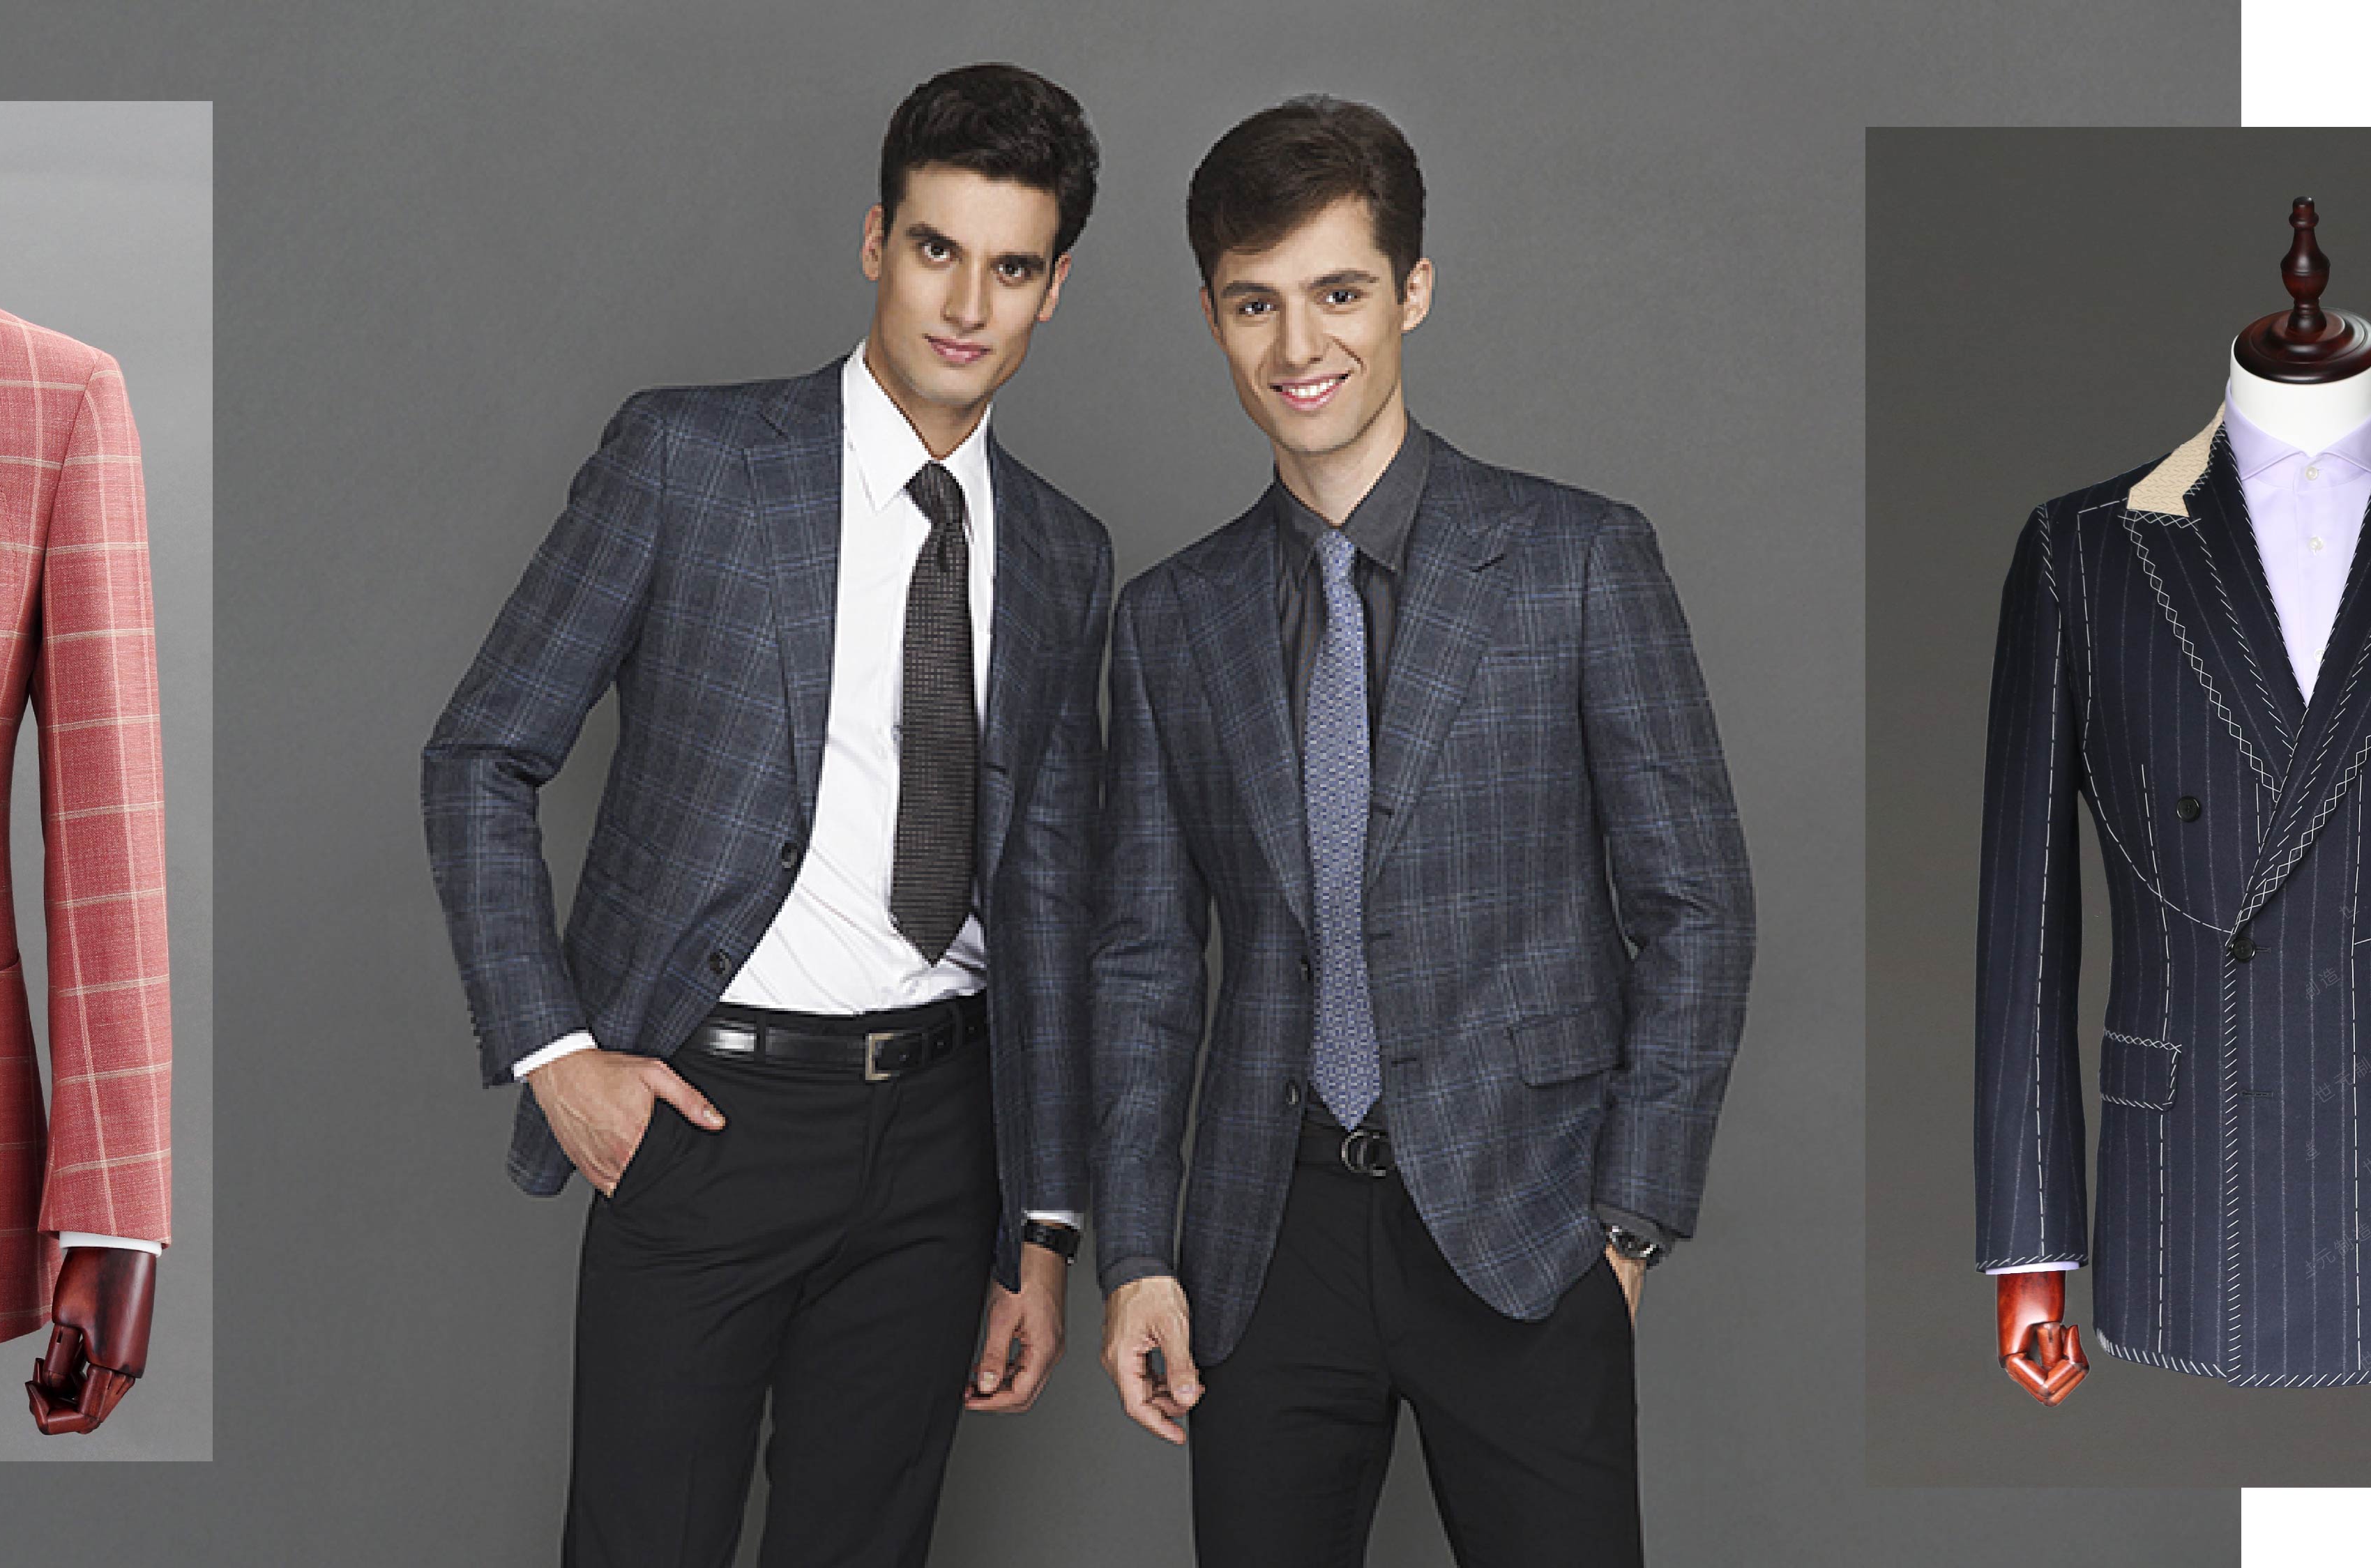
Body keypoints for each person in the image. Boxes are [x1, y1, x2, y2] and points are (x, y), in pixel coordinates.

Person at [421, 62, 1111, 1568]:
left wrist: (1045, 1224)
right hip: (710, 1117)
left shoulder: (1065, 554)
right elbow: (481, 754)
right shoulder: (691, 459)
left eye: (1010, 269)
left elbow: (1052, 905)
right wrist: (556, 1055)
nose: (966, 305)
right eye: (935, 249)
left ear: (1055, 288)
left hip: (946, 1142)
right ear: (875, 240)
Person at [1087, 95, 1757, 1567]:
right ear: (1211, 316)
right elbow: (1141, 962)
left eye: (1339, 292)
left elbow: (1696, 906)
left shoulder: (1578, 560)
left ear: (1413, 292)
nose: (1298, 345)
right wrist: (1136, 1252)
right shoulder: (1170, 621)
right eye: (1255, 303)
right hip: (1264, 1241)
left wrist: (1630, 1222)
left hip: (1526, 1225)